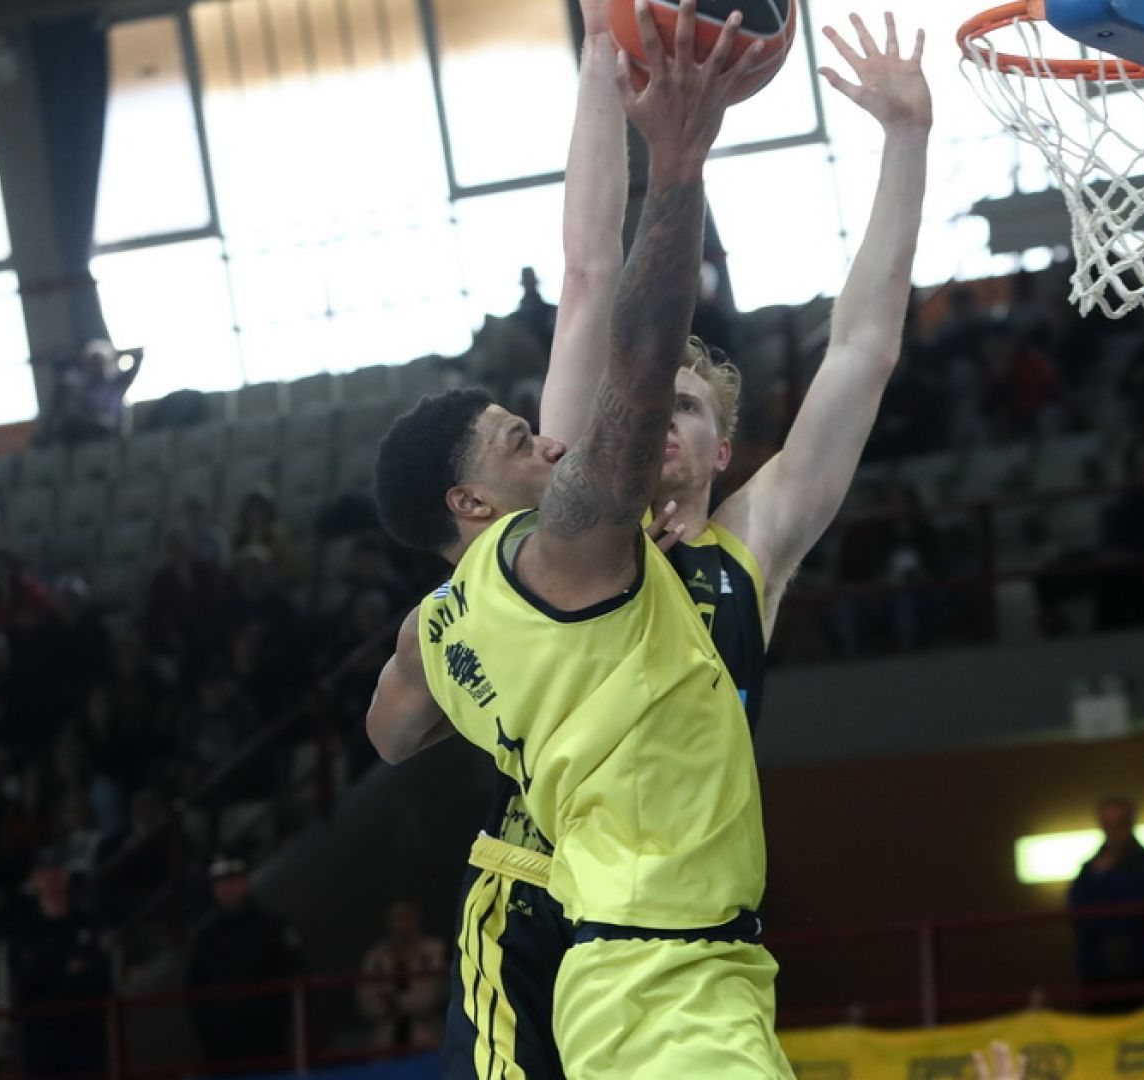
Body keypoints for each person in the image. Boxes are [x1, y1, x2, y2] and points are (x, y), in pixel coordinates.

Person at [373, 4, 932, 1077]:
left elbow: (862, 348)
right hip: (543, 895)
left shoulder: (748, 549)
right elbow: (590, 272)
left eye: (687, 407)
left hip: (673, 938)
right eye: (650, 399)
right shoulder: (570, 514)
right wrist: (599, 49)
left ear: (723, 448)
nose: (657, 417)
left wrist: (905, 140)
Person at [185, 856, 302, 1071]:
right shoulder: (205, 936)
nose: (226, 889)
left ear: (244, 882)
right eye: (220, 883)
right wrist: (208, 1029)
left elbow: (294, 975)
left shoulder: (271, 927)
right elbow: (195, 987)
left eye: (232, 881)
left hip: (266, 1038)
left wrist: (279, 1020)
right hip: (221, 1043)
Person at [8, 850, 111, 1079]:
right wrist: (67, 968)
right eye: (44, 874)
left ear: (66, 877)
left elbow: (101, 977)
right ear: (35, 880)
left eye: (56, 872)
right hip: (42, 1037)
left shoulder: (87, 923)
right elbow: (25, 981)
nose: (51, 880)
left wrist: (50, 968)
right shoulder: (24, 929)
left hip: (85, 1035)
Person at [1068, 796, 1144, 1014]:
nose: (1114, 831)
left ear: (1131, 824)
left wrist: (1108, 877)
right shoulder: (1089, 870)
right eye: (1108, 824)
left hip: (1143, 970)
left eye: (1120, 824)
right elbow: (1078, 912)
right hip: (1101, 972)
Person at [356, 899, 447, 1051]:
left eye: (406, 917)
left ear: (416, 918)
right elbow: (365, 997)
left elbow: (432, 994)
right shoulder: (376, 956)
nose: (401, 924)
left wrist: (395, 1003)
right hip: (386, 1033)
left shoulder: (434, 950)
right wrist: (386, 1009)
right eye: (395, 918)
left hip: (426, 1029)